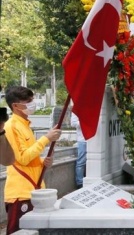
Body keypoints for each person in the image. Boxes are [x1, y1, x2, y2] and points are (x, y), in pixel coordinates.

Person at [3, 86, 61, 234]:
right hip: (21, 193)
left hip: (35, 191)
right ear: (15, 106)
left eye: (32, 100)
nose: (32, 104)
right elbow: (21, 158)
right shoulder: (11, 126)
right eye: (28, 101)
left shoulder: (25, 125)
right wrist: (46, 138)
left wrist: (43, 162)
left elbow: (30, 156)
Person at [71, 112, 86, 189]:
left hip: (92, 139)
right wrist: (85, 122)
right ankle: (80, 183)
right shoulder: (76, 109)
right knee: (81, 161)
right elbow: (73, 123)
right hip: (82, 139)